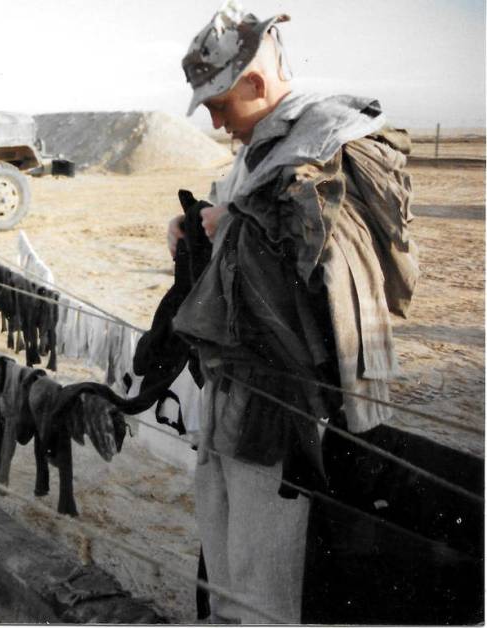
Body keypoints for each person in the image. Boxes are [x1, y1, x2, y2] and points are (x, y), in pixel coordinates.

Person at [168, 0, 418, 622]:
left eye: (221, 105)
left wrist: (236, 223)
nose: (220, 123)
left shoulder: (331, 138)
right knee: (223, 527)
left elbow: (327, 255)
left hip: (287, 396)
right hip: (235, 380)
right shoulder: (266, 145)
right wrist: (195, 220)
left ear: (254, 82)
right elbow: (242, 217)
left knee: (265, 550)